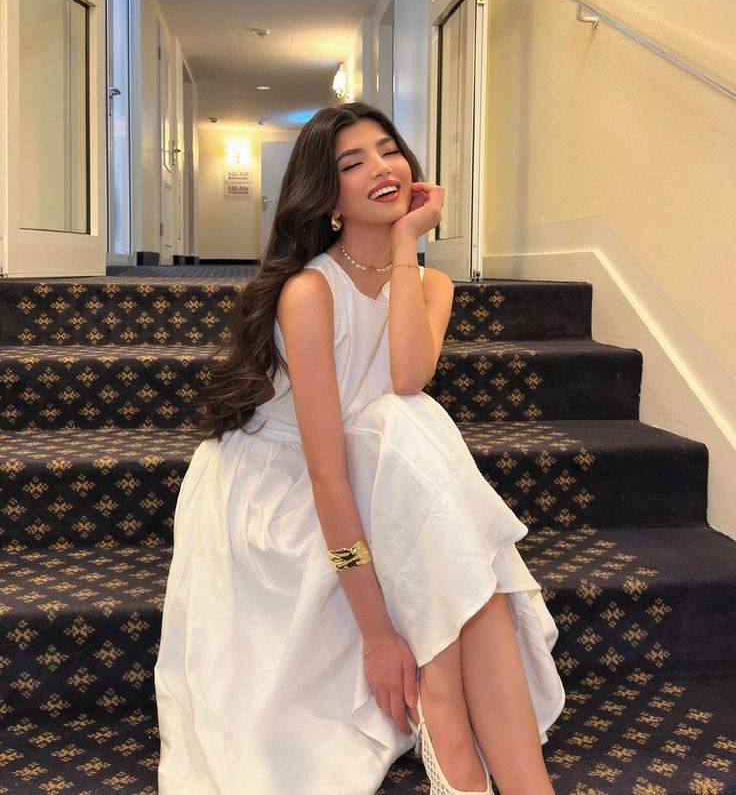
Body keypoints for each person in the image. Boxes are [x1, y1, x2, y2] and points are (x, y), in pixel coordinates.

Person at [155, 102, 564, 795]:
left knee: (408, 420)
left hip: (380, 466)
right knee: (419, 458)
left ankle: (508, 767)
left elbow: (406, 376)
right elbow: (327, 474)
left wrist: (407, 244)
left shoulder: (432, 283)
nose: (381, 168)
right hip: (287, 487)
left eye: (388, 150)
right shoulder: (309, 291)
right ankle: (449, 720)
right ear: (329, 198)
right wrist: (377, 635)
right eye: (353, 162)